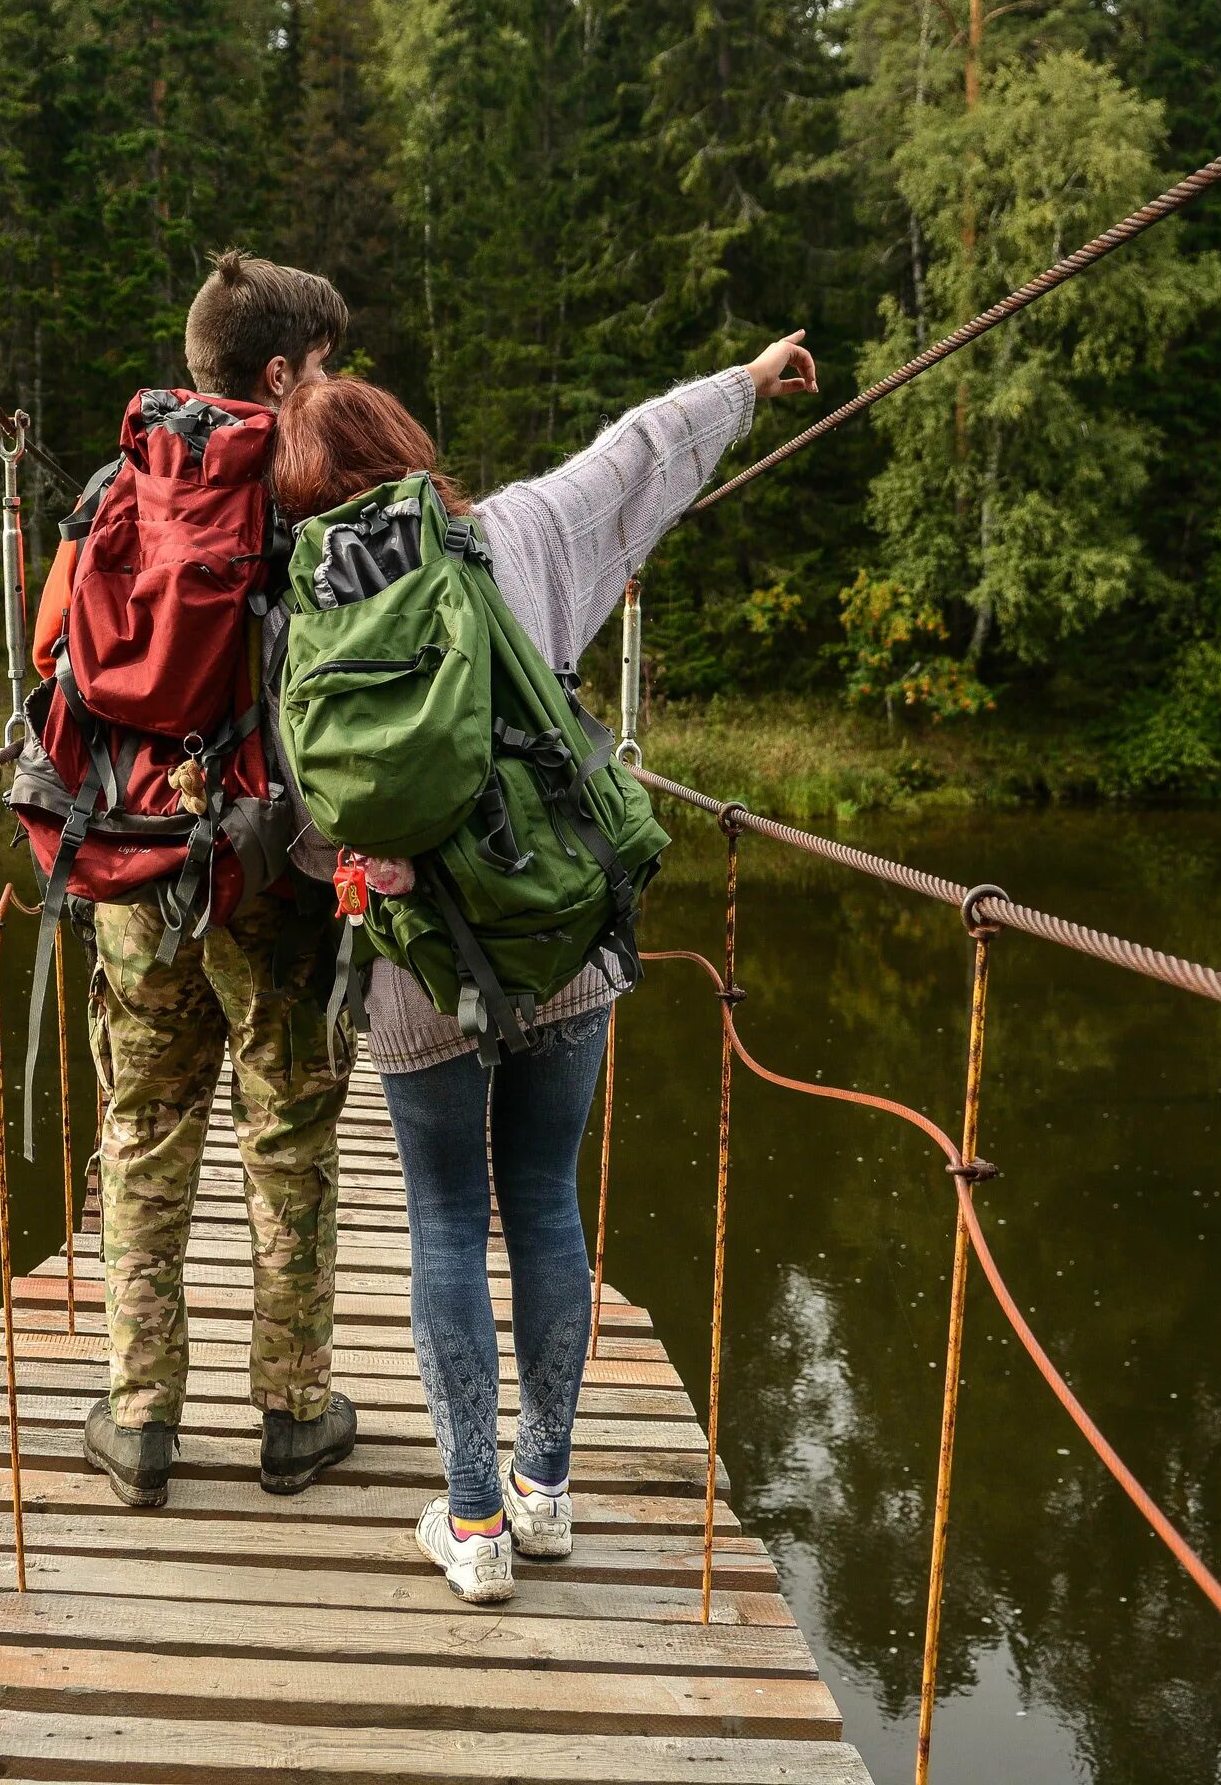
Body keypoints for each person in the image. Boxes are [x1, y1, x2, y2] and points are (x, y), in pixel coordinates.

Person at [267, 332, 819, 1602]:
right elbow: (637, 455)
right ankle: (549, 1490)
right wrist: (744, 382)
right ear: (411, 455)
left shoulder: (295, 615)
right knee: (549, 1202)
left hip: (413, 970)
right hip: (563, 930)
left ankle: (471, 1527)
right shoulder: (517, 532)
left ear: (299, 500)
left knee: (447, 1220)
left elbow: (306, 816)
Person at [66, 253, 362, 1509]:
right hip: (265, 874)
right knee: (285, 1123)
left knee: (144, 1123)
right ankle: (294, 1411)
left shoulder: (112, 488)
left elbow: (54, 667)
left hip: (134, 865)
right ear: (281, 373)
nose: (338, 386)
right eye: (328, 366)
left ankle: (140, 1420)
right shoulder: (314, 504)